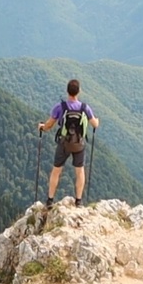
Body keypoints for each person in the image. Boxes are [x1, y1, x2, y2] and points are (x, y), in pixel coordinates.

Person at [37, 79, 100, 208]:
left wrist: (41, 127)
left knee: (56, 171)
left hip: (64, 143)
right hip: (79, 144)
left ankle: (50, 200)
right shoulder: (84, 108)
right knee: (80, 171)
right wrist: (97, 121)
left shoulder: (60, 107)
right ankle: (79, 201)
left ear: (67, 91)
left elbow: (49, 125)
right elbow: (94, 124)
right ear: (79, 91)